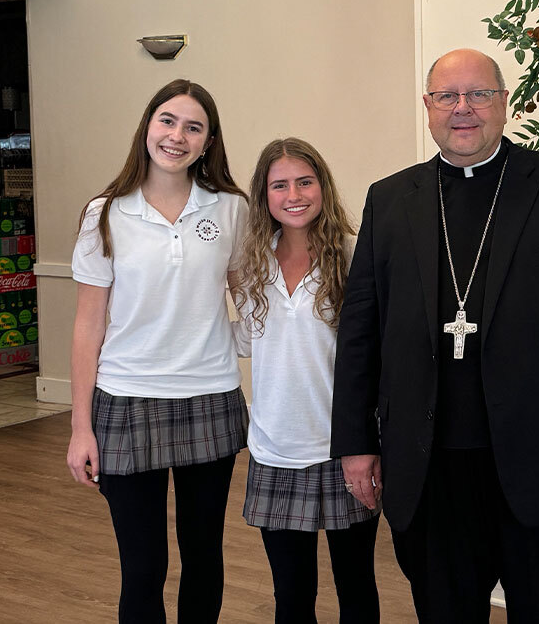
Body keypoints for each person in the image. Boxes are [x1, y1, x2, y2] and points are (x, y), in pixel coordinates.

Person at [330, 48, 539, 623]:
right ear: (427, 108)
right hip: (428, 463)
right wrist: (354, 440)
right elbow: (360, 329)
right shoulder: (391, 198)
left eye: (478, 95)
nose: (462, 109)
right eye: (447, 96)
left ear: (504, 103)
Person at [66, 79, 248, 623]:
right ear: (147, 126)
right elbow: (86, 326)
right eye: (167, 121)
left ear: (208, 142)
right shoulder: (104, 213)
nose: (177, 136)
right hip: (125, 401)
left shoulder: (232, 209)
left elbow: (252, 300)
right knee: (142, 567)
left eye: (193, 127)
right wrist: (81, 427)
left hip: (210, 397)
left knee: (203, 559)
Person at [234, 138, 380, 623]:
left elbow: (378, 357)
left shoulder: (356, 255)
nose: (293, 194)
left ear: (323, 186)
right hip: (275, 448)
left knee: (356, 587)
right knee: (291, 597)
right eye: (279, 185)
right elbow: (246, 340)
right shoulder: (253, 263)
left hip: (345, 450)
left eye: (304, 181)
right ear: (264, 196)